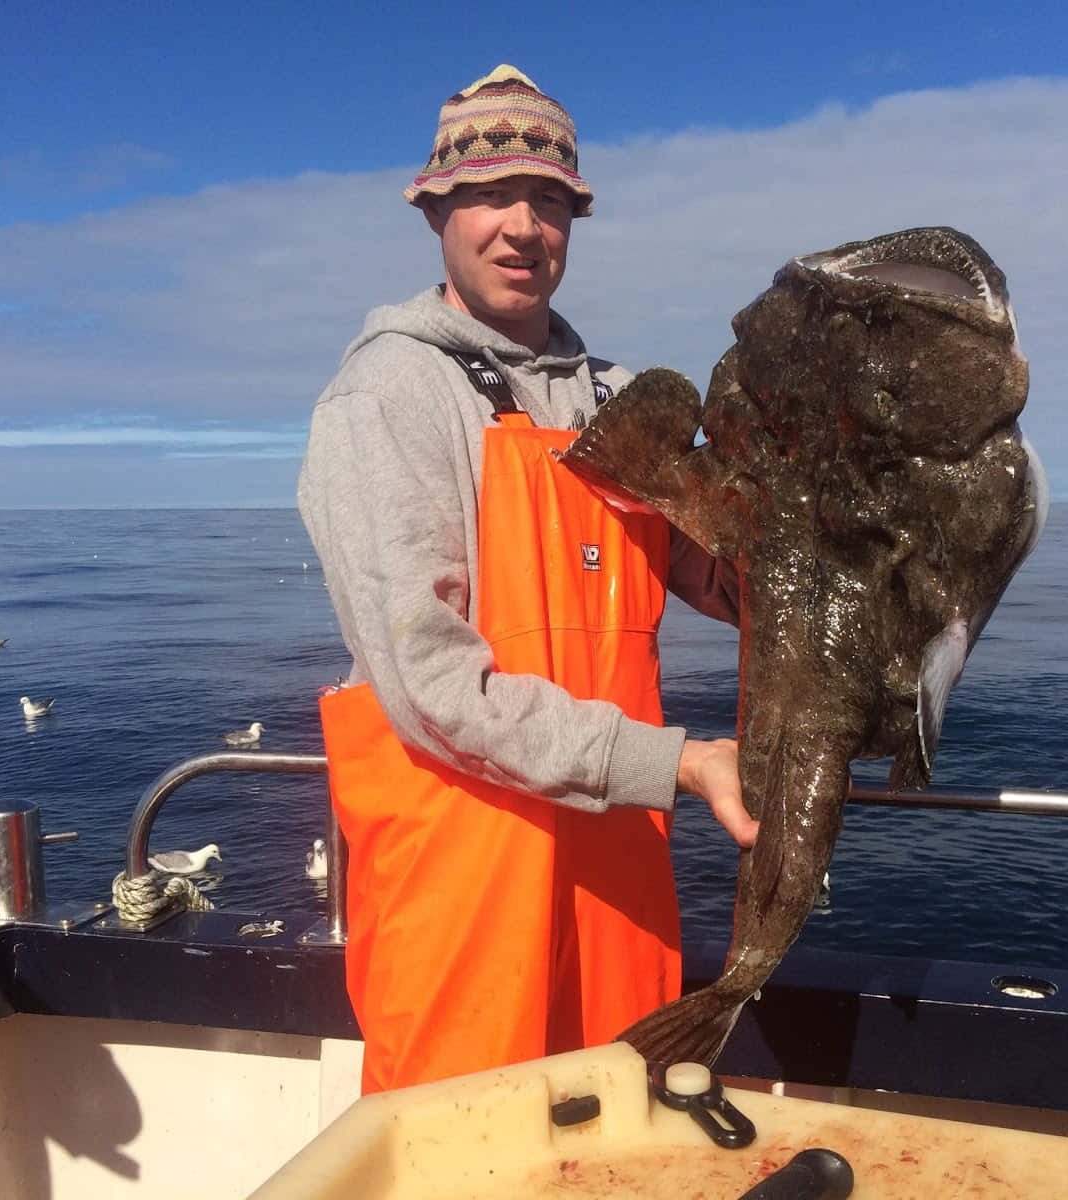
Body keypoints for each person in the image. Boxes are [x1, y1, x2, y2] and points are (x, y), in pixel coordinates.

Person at [299, 64, 756, 1094]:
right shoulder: (386, 396)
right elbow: (432, 690)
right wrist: (681, 765)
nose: (520, 226)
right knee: (463, 1157)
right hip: (466, 886)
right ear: (436, 216)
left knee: (620, 1145)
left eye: (547, 200)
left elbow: (734, 586)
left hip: (617, 881)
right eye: (488, 198)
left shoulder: (621, 406)